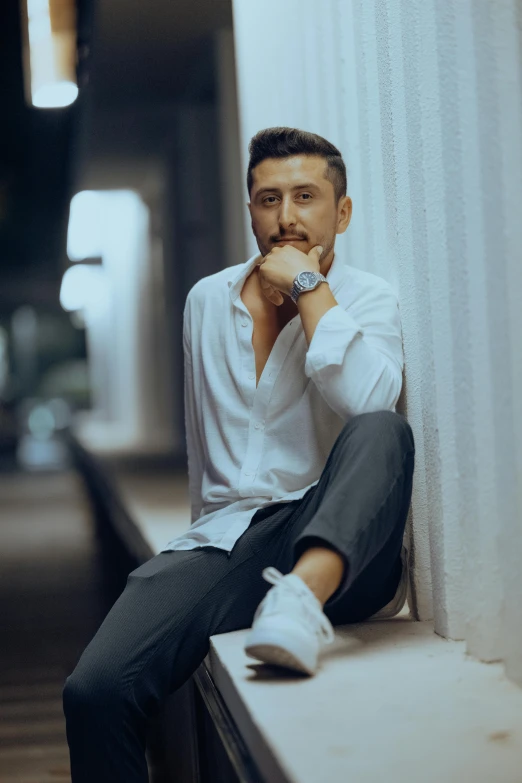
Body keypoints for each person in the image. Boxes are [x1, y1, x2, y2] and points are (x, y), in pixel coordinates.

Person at [63, 127, 415, 782]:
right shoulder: (207, 301)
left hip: (337, 551)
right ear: (248, 207)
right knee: (96, 689)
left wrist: (310, 287)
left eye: (306, 196)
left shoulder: (365, 299)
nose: (286, 218)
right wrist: (191, 589)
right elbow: (207, 457)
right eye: (268, 198)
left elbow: (371, 398)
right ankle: (275, 605)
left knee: (382, 430)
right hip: (226, 545)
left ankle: (299, 602)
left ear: (341, 211)